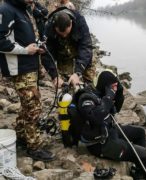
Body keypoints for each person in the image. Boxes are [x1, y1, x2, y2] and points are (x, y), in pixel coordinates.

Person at [0, 0, 58, 161]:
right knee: (33, 106)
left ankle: (20, 136)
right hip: (19, 68)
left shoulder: (24, 10)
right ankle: (34, 147)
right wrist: (26, 50)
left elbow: (23, 36)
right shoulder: (6, 10)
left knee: (28, 105)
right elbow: (1, 40)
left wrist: (36, 46)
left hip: (30, 65)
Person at [75, 70, 146, 180]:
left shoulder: (101, 93)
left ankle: (139, 171)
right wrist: (109, 96)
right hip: (100, 144)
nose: (114, 89)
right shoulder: (86, 98)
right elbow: (96, 117)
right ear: (105, 86)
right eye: (113, 86)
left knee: (140, 132)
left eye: (116, 86)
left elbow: (116, 109)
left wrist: (118, 91)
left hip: (109, 131)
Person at [43, 7, 96, 89]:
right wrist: (54, 76)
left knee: (90, 80)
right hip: (62, 53)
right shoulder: (49, 26)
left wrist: (77, 72)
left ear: (71, 23)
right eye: (61, 34)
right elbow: (46, 53)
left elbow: (86, 47)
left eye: (66, 33)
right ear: (55, 26)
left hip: (79, 49)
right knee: (66, 84)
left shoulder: (80, 21)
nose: (64, 36)